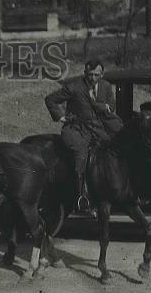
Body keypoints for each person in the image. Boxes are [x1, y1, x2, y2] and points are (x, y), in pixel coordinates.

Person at [44, 59, 124, 212]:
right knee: (81, 152)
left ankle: (115, 189)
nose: (93, 78)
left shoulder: (106, 87)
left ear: (102, 74)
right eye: (90, 74)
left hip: (99, 128)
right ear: (85, 73)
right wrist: (61, 117)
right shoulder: (73, 87)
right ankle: (82, 195)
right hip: (76, 129)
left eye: (97, 75)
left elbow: (111, 105)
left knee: (114, 150)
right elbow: (51, 100)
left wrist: (106, 107)